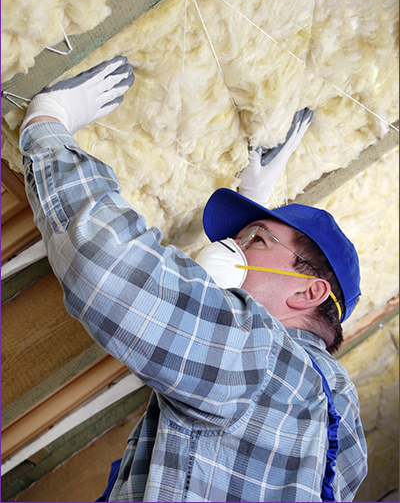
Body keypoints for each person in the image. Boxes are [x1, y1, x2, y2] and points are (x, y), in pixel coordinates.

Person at [19, 56, 367, 502]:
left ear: (309, 291)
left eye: (253, 241)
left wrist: (49, 126)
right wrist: (254, 213)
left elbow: (108, 265)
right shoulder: (345, 437)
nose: (228, 252)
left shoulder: (261, 358)